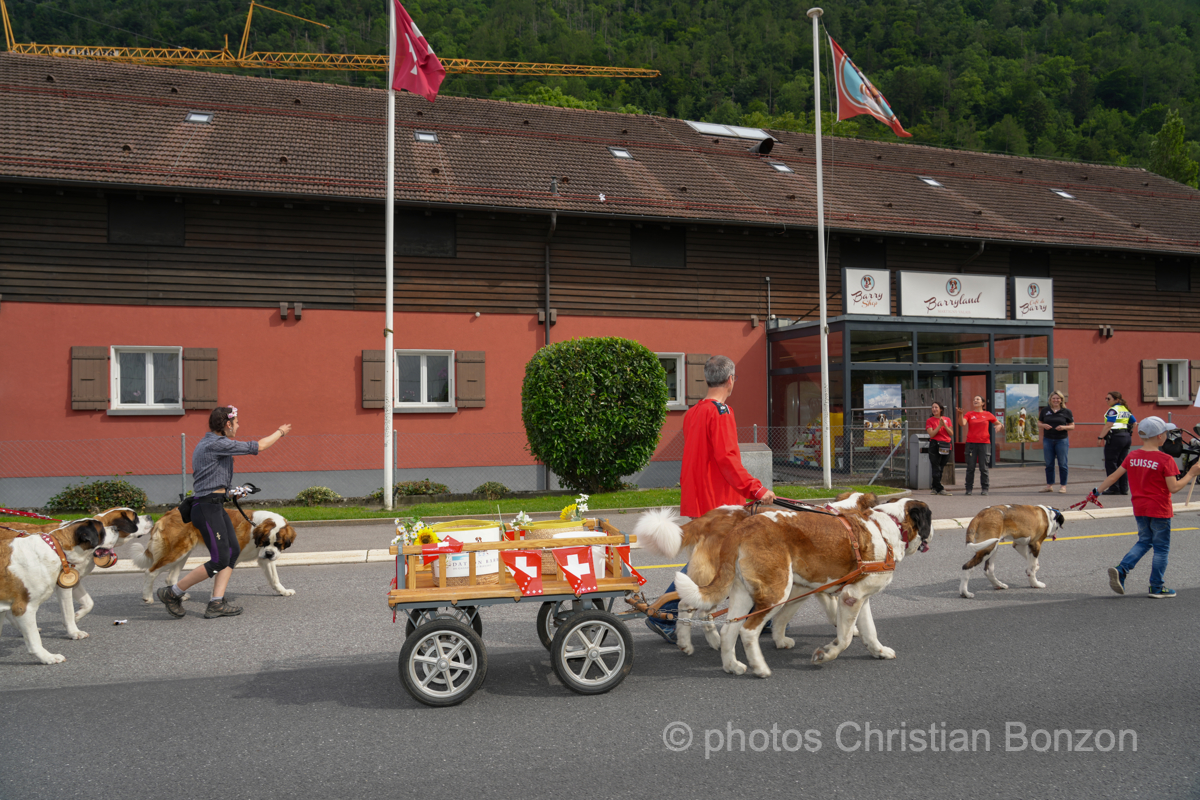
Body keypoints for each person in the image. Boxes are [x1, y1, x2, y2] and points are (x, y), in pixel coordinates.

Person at [646, 355, 777, 643]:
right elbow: (728, 460)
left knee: (710, 559)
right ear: (730, 380)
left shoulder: (692, 412)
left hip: (699, 496)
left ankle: (761, 616)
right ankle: (666, 614)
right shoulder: (722, 412)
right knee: (729, 559)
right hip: (720, 500)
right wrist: (756, 490)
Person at [157, 406, 292, 619]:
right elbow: (259, 446)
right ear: (227, 424)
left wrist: (232, 492)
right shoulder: (216, 443)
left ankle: (216, 603)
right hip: (207, 508)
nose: (238, 426)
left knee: (232, 552)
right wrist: (280, 432)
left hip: (214, 504)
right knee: (220, 559)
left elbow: (210, 482)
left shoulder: (209, 443)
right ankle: (172, 592)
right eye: (236, 422)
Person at [1101, 416, 1200, 599]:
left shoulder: (1133, 456)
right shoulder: (1165, 459)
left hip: (1140, 507)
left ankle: (1122, 569)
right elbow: (1174, 487)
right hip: (1159, 509)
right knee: (1161, 548)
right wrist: (1191, 473)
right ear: (1161, 437)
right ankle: (1156, 587)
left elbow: (1114, 477)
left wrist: (1096, 491)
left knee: (1145, 541)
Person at [957, 395, 1003, 496]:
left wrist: (999, 425)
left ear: (983, 403)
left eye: (977, 399)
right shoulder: (969, 414)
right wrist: (960, 414)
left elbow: (999, 423)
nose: (975, 400)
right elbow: (962, 423)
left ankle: (985, 488)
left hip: (984, 443)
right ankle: (968, 488)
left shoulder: (987, 414)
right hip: (971, 443)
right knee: (970, 467)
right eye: (974, 399)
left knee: (984, 467)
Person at [1099, 391, 1136, 495]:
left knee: (1111, 463)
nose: (1106, 400)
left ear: (1117, 400)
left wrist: (1100, 437)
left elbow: (1108, 425)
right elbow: (1134, 423)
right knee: (1122, 464)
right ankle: (1124, 488)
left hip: (1115, 438)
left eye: (1109, 399)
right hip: (1126, 438)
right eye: (1106, 398)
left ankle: (1114, 487)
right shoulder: (1125, 409)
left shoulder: (1113, 410)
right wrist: (1127, 432)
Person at [1038, 390, 1075, 493]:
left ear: (1061, 400)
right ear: (1050, 399)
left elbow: (1072, 426)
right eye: (1054, 398)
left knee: (1062, 463)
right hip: (1048, 439)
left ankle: (1063, 486)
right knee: (1049, 463)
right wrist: (1043, 425)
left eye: (1058, 398)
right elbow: (1039, 423)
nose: (1056, 400)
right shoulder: (1045, 410)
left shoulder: (1066, 411)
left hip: (1061, 440)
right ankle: (1049, 486)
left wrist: (1063, 427)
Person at [925, 401, 953, 496]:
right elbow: (932, 434)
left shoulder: (947, 419)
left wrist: (944, 425)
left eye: (936, 407)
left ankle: (935, 487)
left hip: (946, 444)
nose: (934, 409)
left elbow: (951, 433)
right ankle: (940, 488)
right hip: (934, 444)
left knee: (941, 466)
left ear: (941, 409)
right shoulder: (930, 420)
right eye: (932, 407)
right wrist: (939, 426)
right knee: (935, 466)